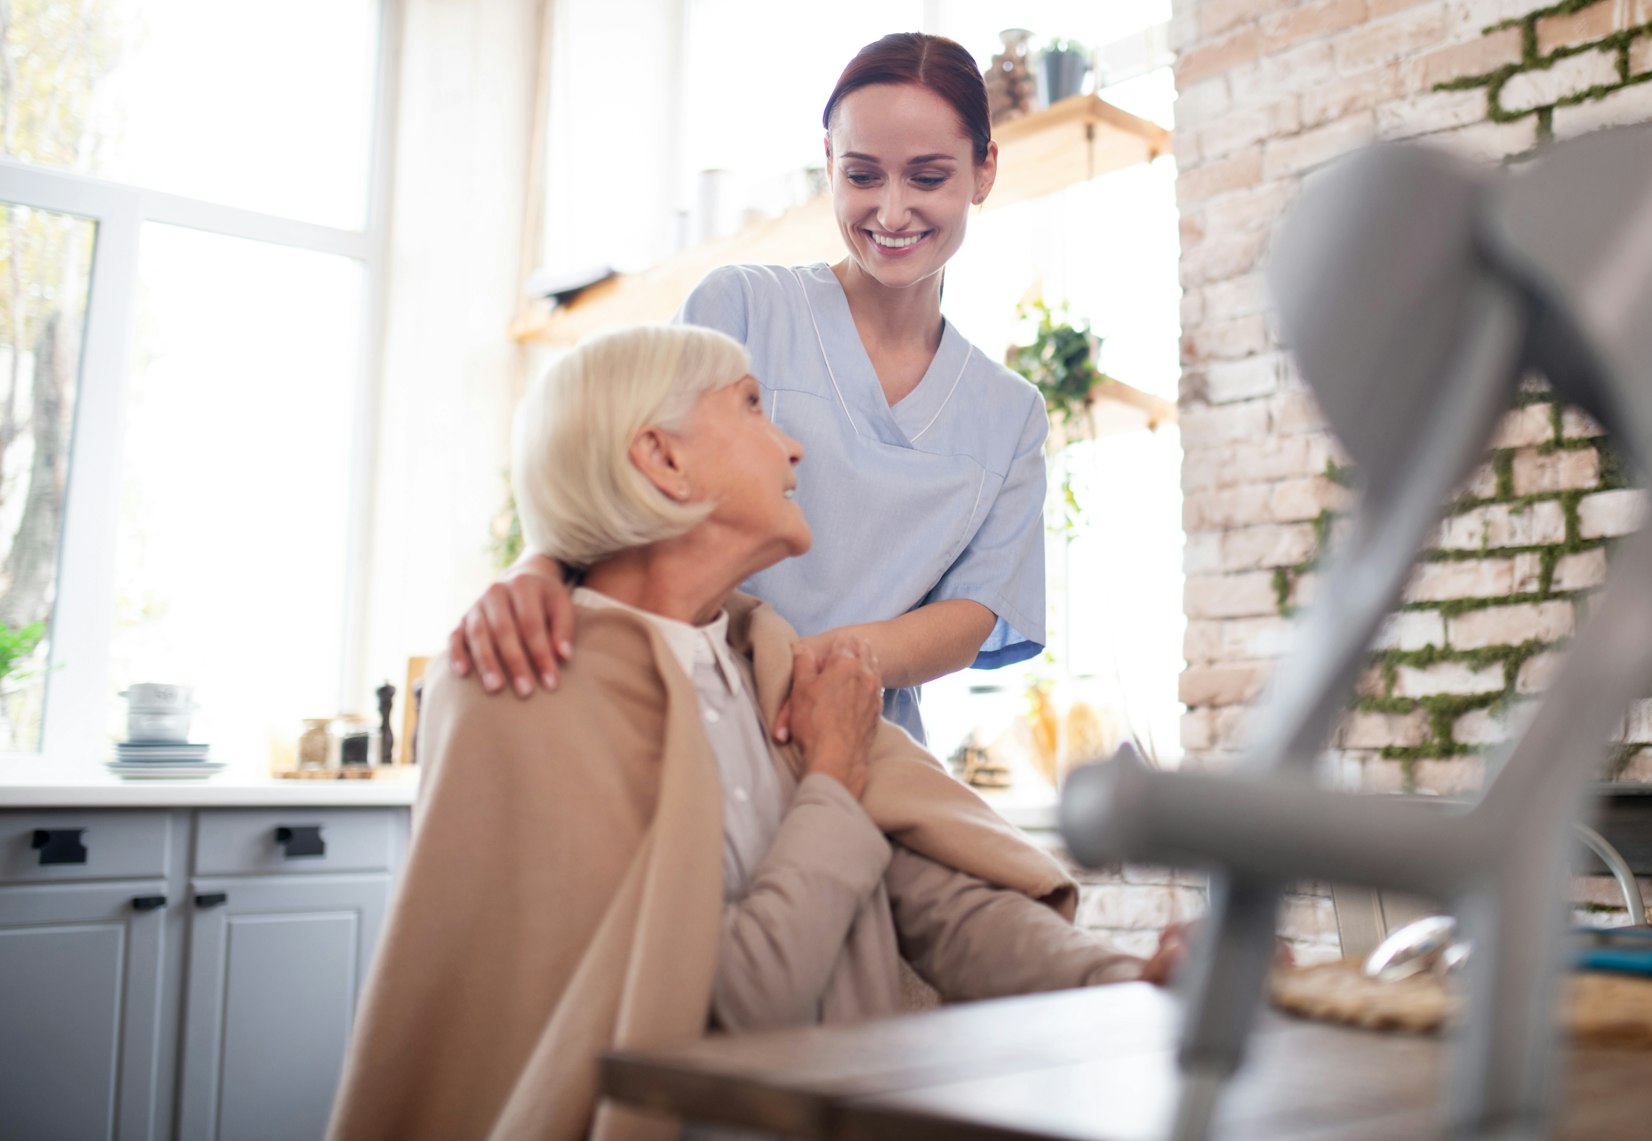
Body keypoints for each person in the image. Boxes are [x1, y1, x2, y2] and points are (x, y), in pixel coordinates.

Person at [328, 324, 1178, 1141]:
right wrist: (835, 771)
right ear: (661, 456)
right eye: (751, 405)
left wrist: (1134, 980)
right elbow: (737, 1008)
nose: (794, 445)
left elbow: (942, 904)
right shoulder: (530, 696)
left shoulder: (762, 662)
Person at [451, 32, 1046, 744]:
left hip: (856, 741)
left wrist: (811, 668)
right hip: (686, 709)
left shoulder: (1010, 417)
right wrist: (535, 570)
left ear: (983, 173)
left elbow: (971, 614)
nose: (891, 212)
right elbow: (611, 465)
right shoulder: (740, 308)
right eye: (862, 176)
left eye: (927, 178)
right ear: (829, 164)